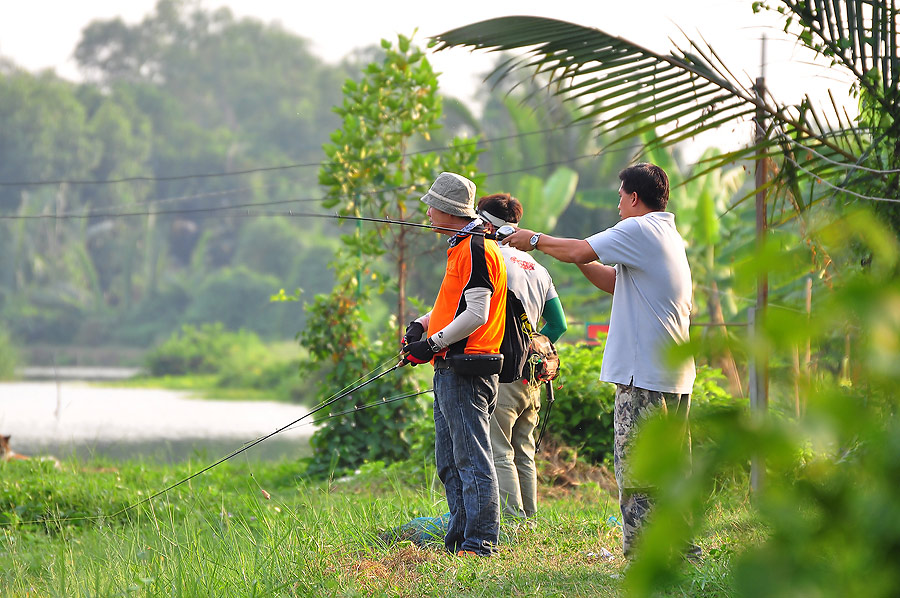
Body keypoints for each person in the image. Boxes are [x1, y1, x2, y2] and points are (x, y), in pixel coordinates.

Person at [502, 163, 697, 559]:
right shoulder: (667, 235)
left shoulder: (639, 228)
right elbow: (612, 280)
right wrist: (573, 257)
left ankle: (646, 559)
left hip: (644, 376)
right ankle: (682, 549)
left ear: (634, 197)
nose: (618, 204)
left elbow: (577, 248)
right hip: (674, 376)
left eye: (621, 196)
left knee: (638, 470)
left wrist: (533, 239)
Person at [401, 172, 508, 557]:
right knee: (448, 460)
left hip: (467, 368)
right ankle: (459, 539)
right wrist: (422, 325)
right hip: (449, 367)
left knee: (472, 459)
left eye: (432, 205)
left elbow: (476, 313)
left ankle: (480, 543)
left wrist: (431, 345)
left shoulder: (476, 248)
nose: (427, 212)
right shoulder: (460, 247)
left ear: (448, 210)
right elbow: (453, 306)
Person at [476, 193, 567, 521]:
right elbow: (559, 324)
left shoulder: (490, 259)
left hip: (502, 373)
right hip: (533, 378)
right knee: (524, 453)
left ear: (487, 225)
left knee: (500, 451)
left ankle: (514, 523)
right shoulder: (539, 269)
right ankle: (530, 519)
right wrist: (533, 347)